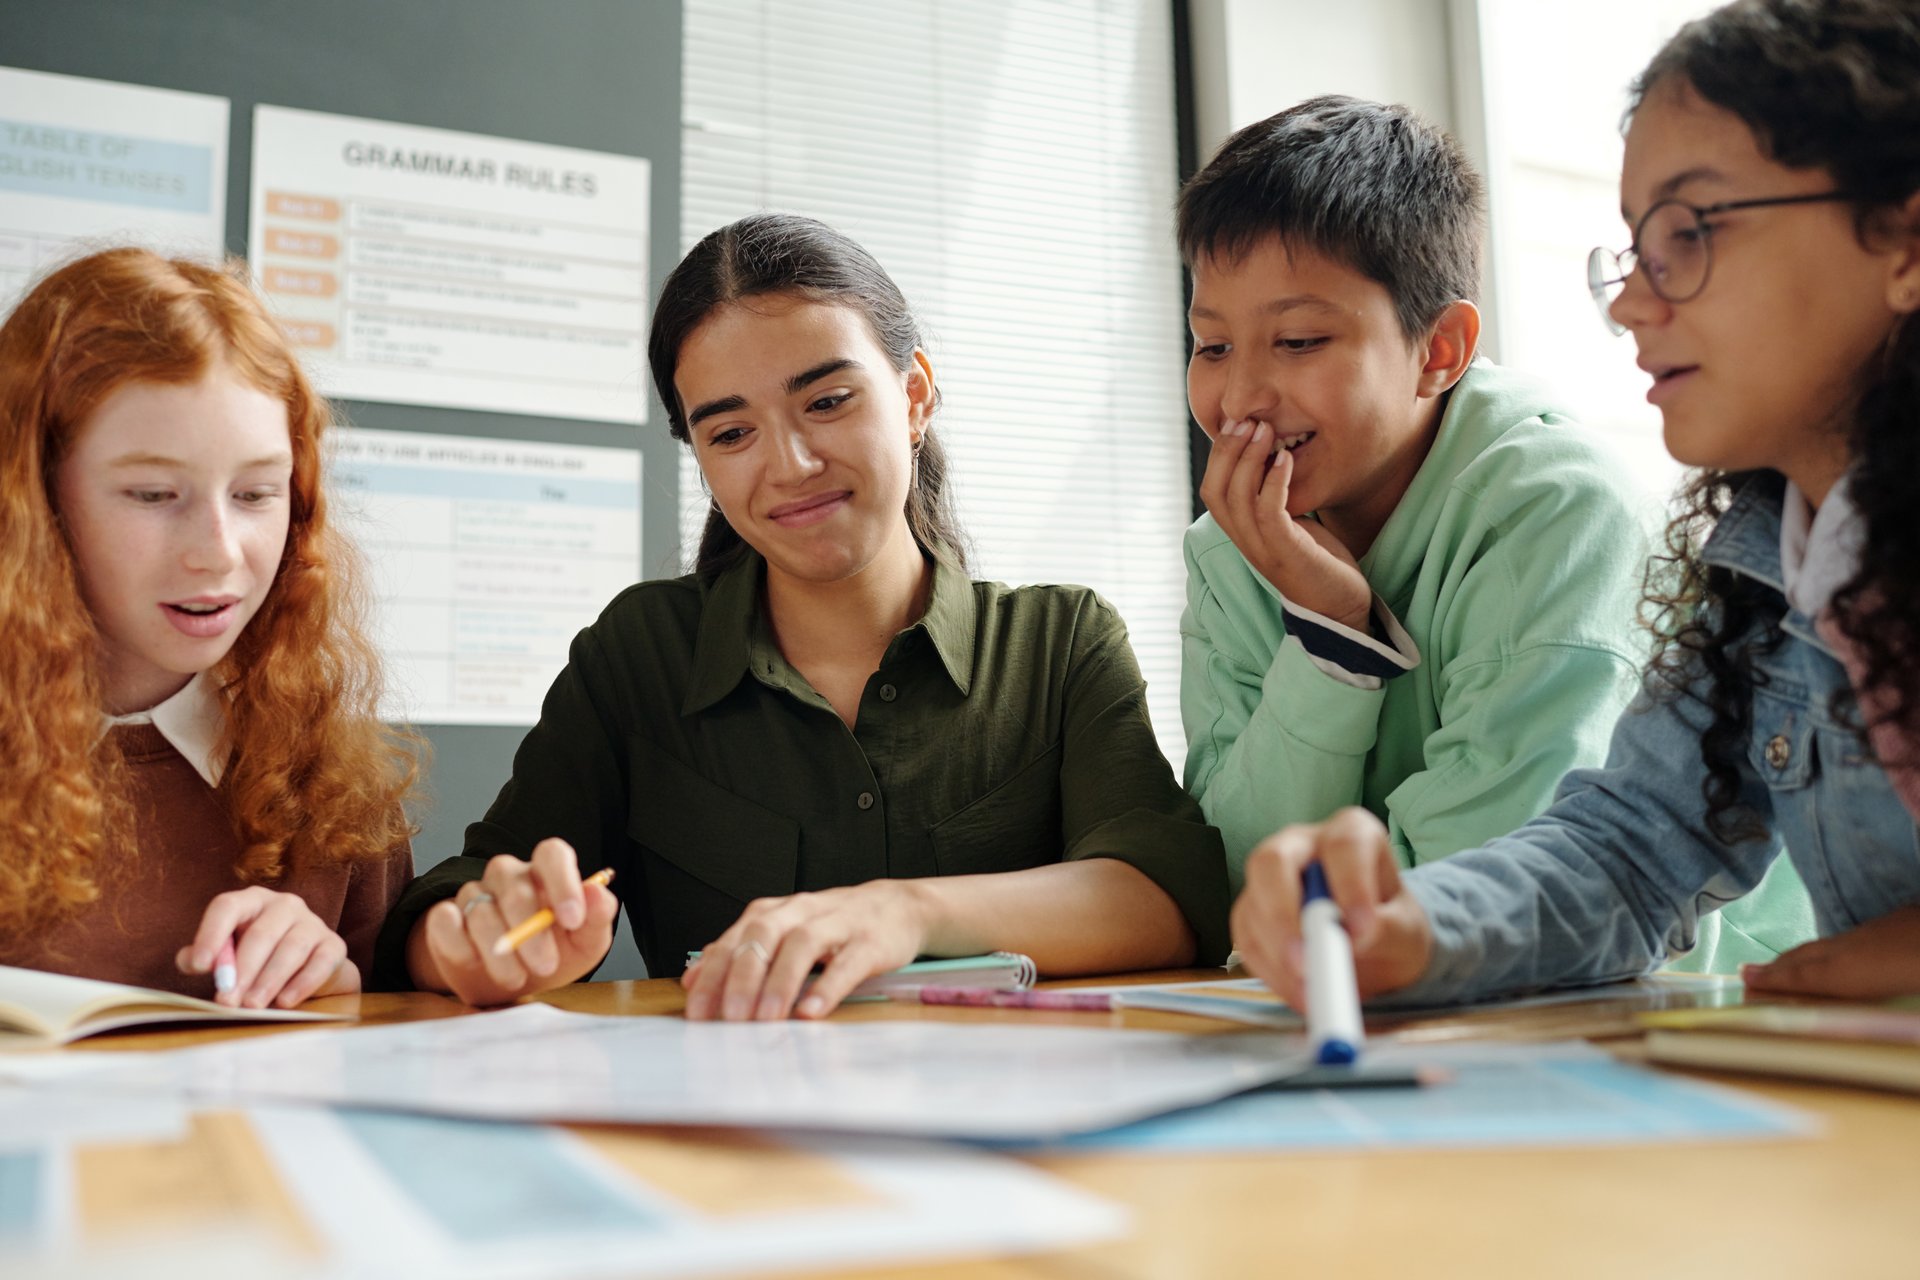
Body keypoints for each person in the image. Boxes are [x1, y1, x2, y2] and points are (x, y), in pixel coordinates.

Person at [1231, 0, 1920, 1009]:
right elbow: (1631, 848)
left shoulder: (1550, 501)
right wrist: (1413, 926)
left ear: (1903, 240)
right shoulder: (1765, 573)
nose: (1637, 301)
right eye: (1637, 250)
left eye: (1692, 231)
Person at [374, 213, 1229, 1018]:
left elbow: (1161, 896)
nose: (789, 465)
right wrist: (470, 942)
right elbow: (470, 887)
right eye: (731, 434)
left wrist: (906, 914)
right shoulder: (641, 656)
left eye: (826, 402)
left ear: (916, 395)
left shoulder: (1060, 643)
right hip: (735, 1145)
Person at [1177, 94, 1813, 971]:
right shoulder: (1229, 550)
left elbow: (1500, 878)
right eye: (1211, 347)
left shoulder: (1554, 507)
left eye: (1298, 340)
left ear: (1439, 351)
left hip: (1688, 1002)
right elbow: (1236, 884)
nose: (1242, 396)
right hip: (1378, 996)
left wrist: (1320, 927)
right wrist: (1331, 639)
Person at [0, 247, 418, 1005]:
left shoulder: (328, 772)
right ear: (34, 502)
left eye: (257, 494)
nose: (218, 554)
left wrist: (336, 984)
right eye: (155, 494)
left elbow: (401, 1048)